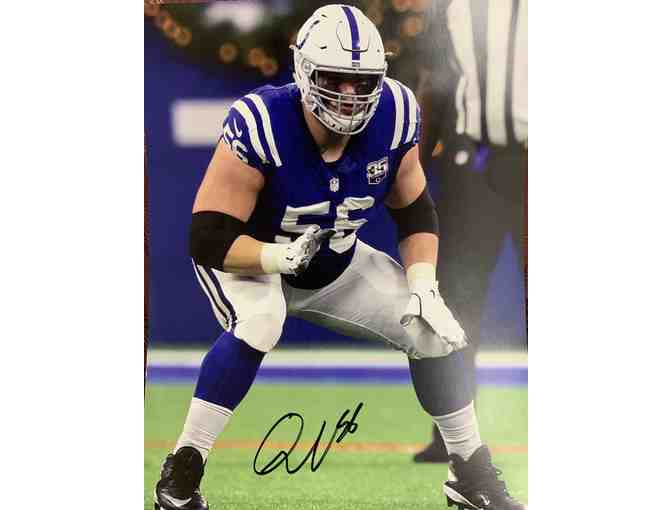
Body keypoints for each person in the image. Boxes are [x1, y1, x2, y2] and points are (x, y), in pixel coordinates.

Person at [153, 5, 525, 510]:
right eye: (334, 79)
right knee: (262, 321)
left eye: (362, 81)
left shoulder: (396, 113)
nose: (349, 95)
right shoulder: (262, 121)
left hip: (334, 260)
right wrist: (277, 258)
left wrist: (423, 284)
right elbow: (208, 237)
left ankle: (470, 474)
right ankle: (182, 472)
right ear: (304, 72)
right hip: (249, 260)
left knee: (432, 329)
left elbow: (416, 211)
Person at [411, 0, 528, 464]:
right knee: (457, 301)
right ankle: (454, 434)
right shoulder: (450, 5)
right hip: (473, 163)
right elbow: (434, 83)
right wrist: (414, 168)